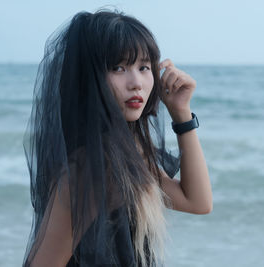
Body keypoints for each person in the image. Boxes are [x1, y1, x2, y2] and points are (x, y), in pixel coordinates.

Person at [22, 9, 212, 267]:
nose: (136, 82)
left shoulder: (125, 152)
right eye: (118, 68)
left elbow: (197, 201)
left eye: (144, 67)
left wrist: (181, 112)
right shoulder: (90, 167)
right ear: (91, 79)